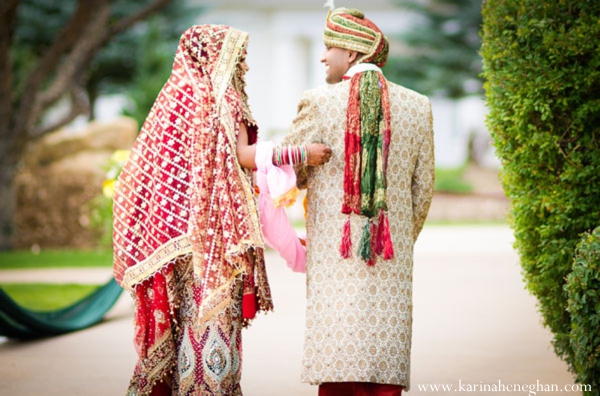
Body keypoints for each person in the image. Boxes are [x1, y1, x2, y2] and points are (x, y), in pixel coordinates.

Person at [112, 24, 330, 395]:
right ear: (216, 56)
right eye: (241, 57)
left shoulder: (174, 99)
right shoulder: (222, 98)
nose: (245, 67)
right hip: (215, 237)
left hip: (169, 238)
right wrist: (301, 153)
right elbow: (243, 156)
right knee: (210, 320)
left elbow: (144, 173)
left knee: (179, 323)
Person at [282, 6, 435, 395]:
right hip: (392, 255)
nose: (322, 56)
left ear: (351, 54)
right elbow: (423, 192)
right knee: (383, 367)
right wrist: (396, 233)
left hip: (336, 260)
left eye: (328, 47)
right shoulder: (419, 106)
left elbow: (288, 172)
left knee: (340, 363)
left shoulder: (317, 101)